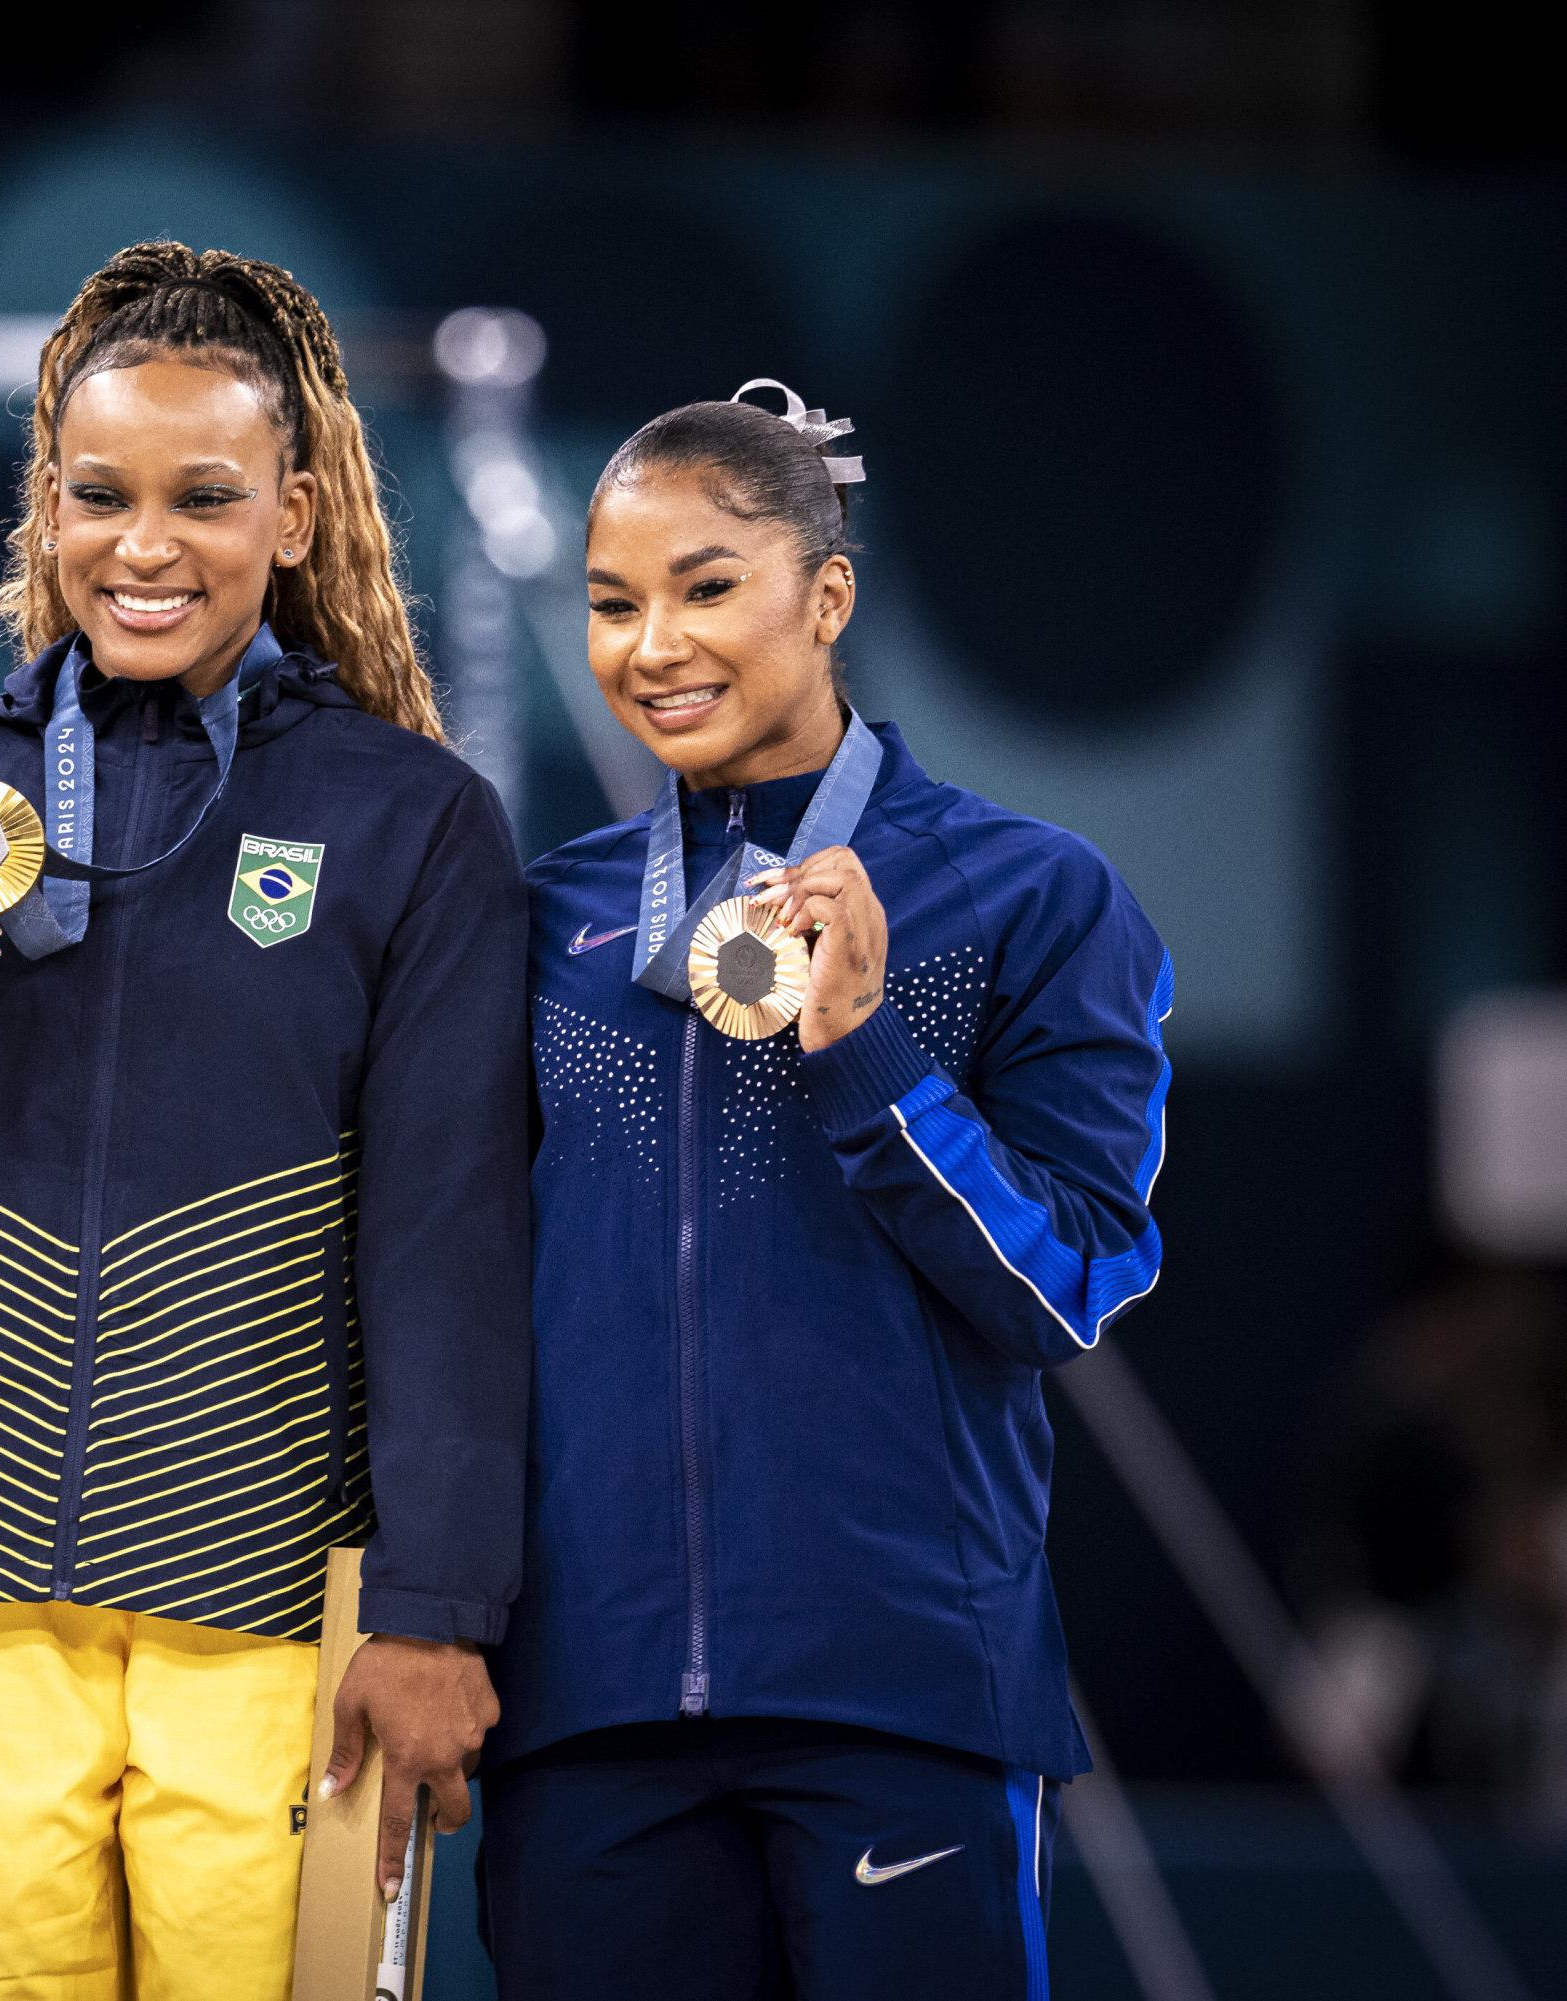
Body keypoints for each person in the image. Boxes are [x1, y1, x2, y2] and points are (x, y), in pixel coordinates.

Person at [0, 241, 529, 2000]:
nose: (146, 544)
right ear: (43, 506)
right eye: (100, 493)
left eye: (204, 497)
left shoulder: (410, 816)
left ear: (293, 513)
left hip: (273, 1599)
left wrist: (437, 1604)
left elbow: (449, 1238)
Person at [483, 382, 1173, 1997]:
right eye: (612, 602)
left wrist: (866, 1050)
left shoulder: (1032, 894)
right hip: (591, 1716)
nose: (655, 643)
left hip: (903, 1695)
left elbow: (1063, 1283)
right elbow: (457, 1288)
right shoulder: (546, 921)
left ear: (829, 593)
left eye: (707, 585)